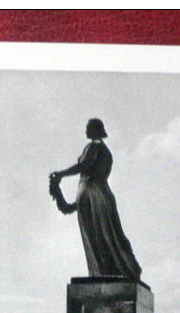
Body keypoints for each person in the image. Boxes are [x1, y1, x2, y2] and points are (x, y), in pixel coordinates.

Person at [50, 118, 142, 280]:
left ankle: (107, 273)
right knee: (109, 236)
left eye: (89, 128)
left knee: (98, 238)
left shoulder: (94, 147)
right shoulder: (105, 152)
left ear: (96, 130)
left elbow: (84, 165)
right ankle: (117, 271)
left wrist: (61, 175)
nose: (86, 131)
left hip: (92, 195)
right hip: (101, 196)